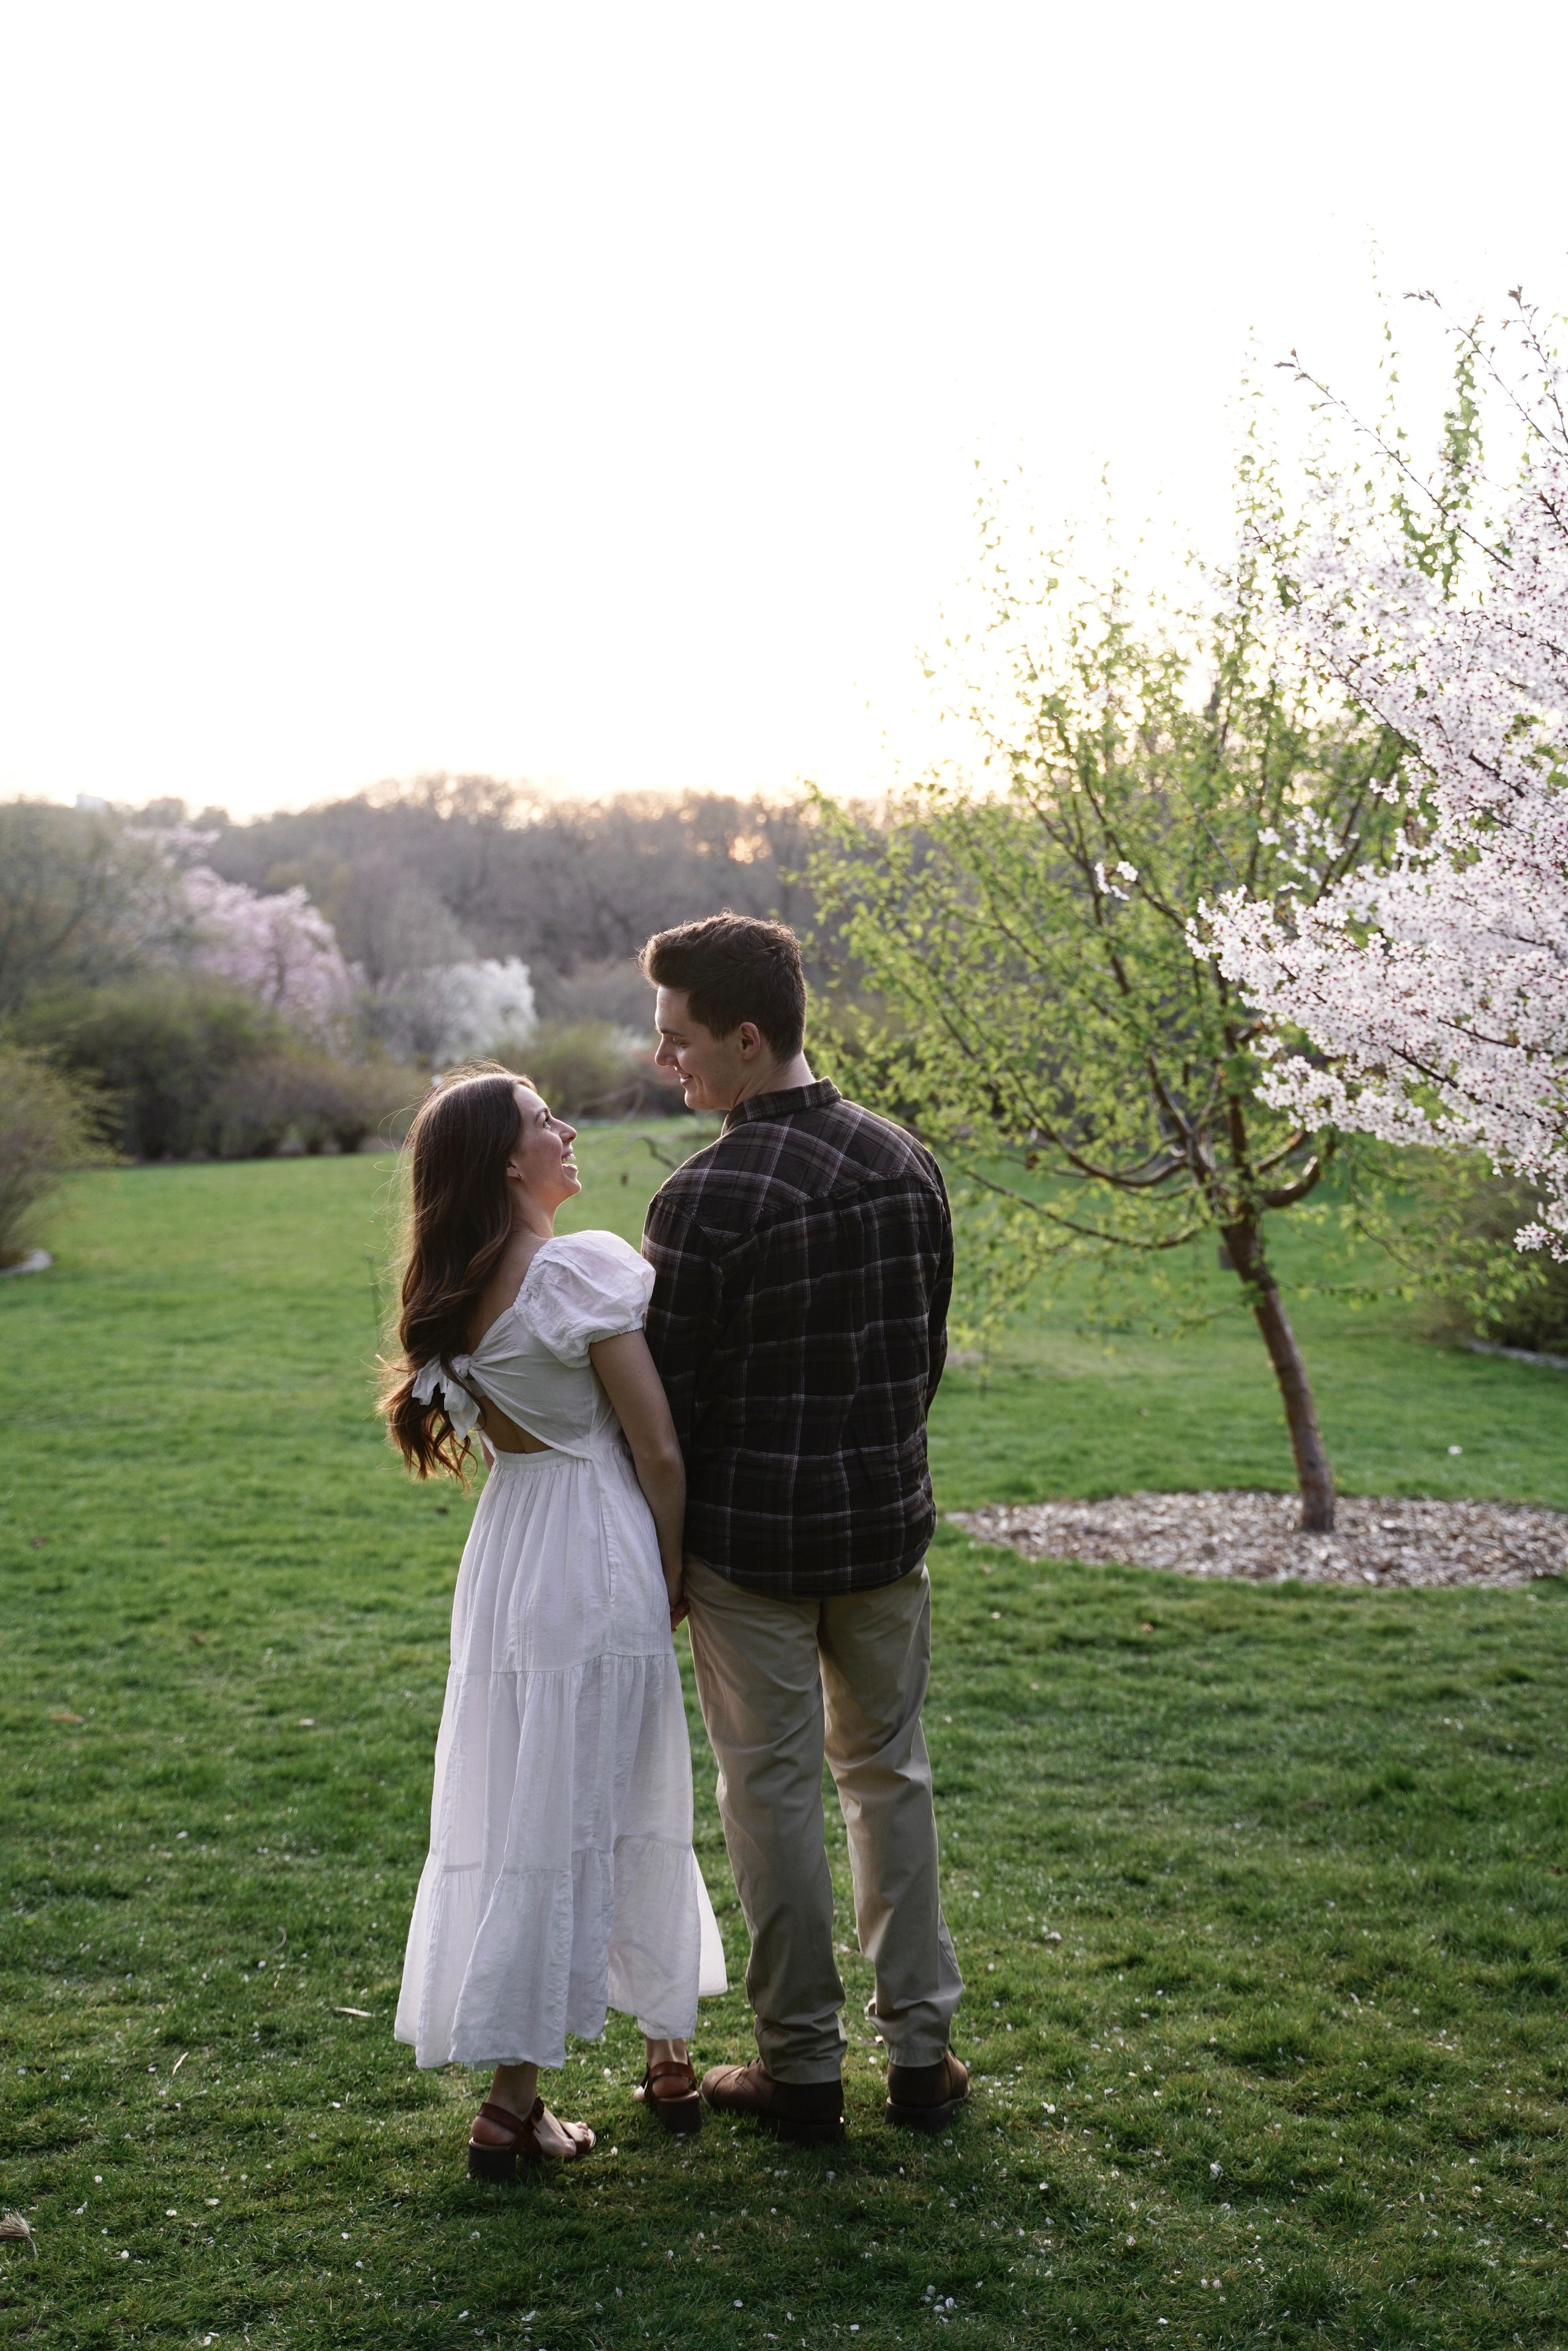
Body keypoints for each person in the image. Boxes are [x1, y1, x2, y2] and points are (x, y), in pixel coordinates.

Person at [639, 915, 966, 2146]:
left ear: (745, 1036)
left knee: (769, 1794)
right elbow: (923, 1355)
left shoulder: (702, 1197)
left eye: (678, 1039)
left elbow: (668, 1407)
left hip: (753, 1554)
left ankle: (801, 2066)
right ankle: (921, 2054)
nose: (664, 1059)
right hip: (883, 1530)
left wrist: (667, 1556)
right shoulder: (906, 1160)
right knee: (890, 1780)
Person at [382, 1066, 725, 2178]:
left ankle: (664, 2046)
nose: (566, 1129)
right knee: (594, 1794)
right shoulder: (574, 1268)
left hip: (512, 1554)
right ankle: (514, 2102)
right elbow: (657, 1447)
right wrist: (670, 1570)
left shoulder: (456, 1290)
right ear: (504, 1160)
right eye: (543, 1121)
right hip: (593, 1545)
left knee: (549, 1789)